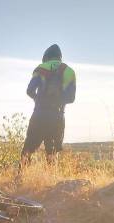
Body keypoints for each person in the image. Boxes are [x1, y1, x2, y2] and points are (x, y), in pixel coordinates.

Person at [18, 44, 76, 173]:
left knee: (27, 149)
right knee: (52, 152)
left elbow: (30, 90)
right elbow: (71, 98)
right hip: (57, 116)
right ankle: (50, 182)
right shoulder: (69, 71)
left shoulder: (41, 68)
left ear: (46, 57)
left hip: (39, 114)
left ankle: (20, 179)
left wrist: (38, 100)